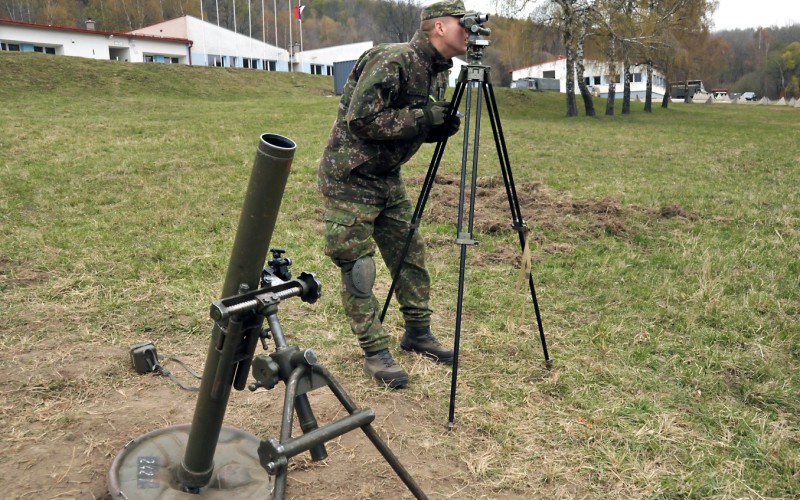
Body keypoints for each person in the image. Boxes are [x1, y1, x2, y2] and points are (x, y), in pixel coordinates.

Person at [317, 0, 469, 388]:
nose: (468, 32)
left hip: (388, 178)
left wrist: (435, 128)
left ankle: (417, 333)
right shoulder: (394, 59)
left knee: (409, 254)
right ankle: (375, 352)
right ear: (438, 27)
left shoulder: (438, 73)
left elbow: (401, 123)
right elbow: (361, 119)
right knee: (359, 270)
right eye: (461, 23)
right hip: (350, 178)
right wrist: (422, 119)